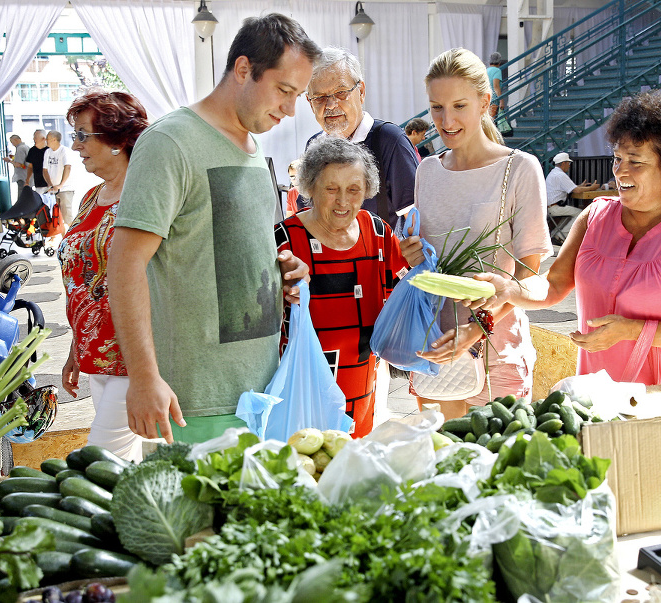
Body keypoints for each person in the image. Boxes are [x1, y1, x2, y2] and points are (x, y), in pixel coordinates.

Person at [108, 14, 320, 444]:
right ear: (243, 69)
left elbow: (229, 245)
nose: (290, 109)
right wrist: (145, 378)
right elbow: (125, 262)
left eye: (297, 95)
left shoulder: (253, 146)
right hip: (196, 403)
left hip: (263, 392)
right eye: (284, 90)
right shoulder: (170, 142)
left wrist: (283, 270)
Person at [464, 91, 661, 386]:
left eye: (636, 162)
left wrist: (633, 330)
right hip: (599, 394)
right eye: (618, 158)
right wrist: (510, 289)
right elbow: (553, 283)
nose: (620, 170)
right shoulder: (596, 217)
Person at [399, 48, 552, 420]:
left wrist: (476, 330)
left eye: (459, 106)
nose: (446, 120)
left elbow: (528, 277)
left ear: (485, 102)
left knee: (497, 470)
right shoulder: (428, 171)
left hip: (497, 350)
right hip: (435, 348)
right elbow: (429, 264)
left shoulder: (520, 169)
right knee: (442, 465)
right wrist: (413, 255)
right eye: (436, 107)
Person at [275, 138, 411, 437]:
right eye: (331, 189)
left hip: (361, 384)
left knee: (350, 465)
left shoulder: (377, 231)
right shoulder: (285, 239)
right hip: (303, 389)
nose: (343, 201)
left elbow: (404, 293)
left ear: (367, 192)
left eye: (353, 190)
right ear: (310, 188)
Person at [58, 90, 149, 462]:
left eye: (83, 135)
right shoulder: (91, 197)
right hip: (95, 354)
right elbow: (81, 280)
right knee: (128, 464)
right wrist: (74, 350)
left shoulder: (147, 196)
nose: (75, 146)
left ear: (116, 139)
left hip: (135, 358)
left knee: (97, 462)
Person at [305, 47, 418, 231]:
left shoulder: (389, 140)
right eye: (320, 97)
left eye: (341, 92)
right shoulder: (313, 146)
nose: (331, 105)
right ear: (310, 103)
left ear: (362, 91)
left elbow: (416, 222)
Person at [545, 151, 599, 242]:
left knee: (571, 214)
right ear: (563, 163)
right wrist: (592, 188)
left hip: (551, 207)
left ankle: (556, 234)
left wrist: (581, 186)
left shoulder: (554, 173)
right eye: (568, 163)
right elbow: (576, 190)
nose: (569, 165)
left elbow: (571, 187)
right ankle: (561, 237)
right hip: (555, 207)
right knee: (581, 214)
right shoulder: (561, 175)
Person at [43, 130, 73, 238]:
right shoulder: (48, 152)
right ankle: (63, 239)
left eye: (47, 139)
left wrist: (60, 185)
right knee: (56, 216)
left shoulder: (64, 151)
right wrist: (51, 185)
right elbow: (45, 170)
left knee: (67, 215)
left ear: (54, 139)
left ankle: (72, 238)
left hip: (66, 189)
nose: (46, 141)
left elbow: (67, 167)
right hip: (53, 189)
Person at [2, 134, 30, 201]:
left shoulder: (20, 148)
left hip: (22, 176)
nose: (12, 144)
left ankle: (21, 210)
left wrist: (9, 161)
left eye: (12, 142)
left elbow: (19, 164)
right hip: (27, 175)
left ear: (16, 140)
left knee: (22, 197)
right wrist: (13, 157)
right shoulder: (26, 147)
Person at [26, 129, 49, 194]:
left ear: (43, 138)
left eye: (36, 137)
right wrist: (27, 180)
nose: (34, 139)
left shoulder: (50, 150)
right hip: (38, 184)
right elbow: (30, 166)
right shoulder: (32, 150)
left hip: (50, 184)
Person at [487, 52, 503, 118]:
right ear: (499, 62)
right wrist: (501, 101)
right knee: (492, 120)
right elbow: (496, 86)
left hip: (486, 98)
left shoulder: (486, 70)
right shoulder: (497, 71)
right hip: (493, 99)